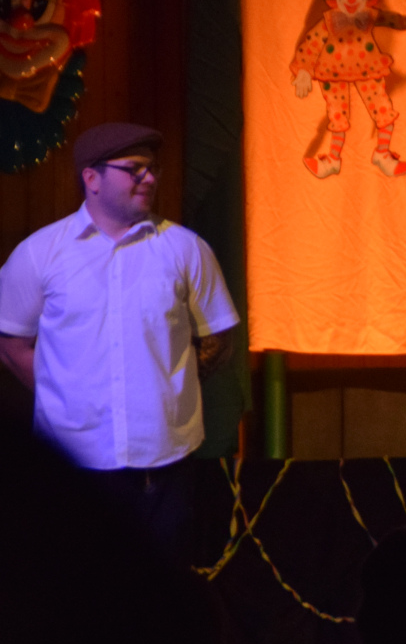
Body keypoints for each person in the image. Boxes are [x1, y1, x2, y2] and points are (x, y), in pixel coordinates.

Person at [0, 122, 238, 559]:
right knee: (79, 585)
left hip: (164, 464)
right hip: (71, 464)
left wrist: (166, 390)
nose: (149, 178)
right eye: (134, 168)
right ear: (92, 178)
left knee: (162, 584)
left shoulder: (185, 249)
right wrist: (62, 393)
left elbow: (218, 336)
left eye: (153, 169)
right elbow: (10, 342)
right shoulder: (40, 253)